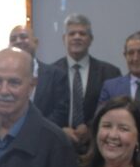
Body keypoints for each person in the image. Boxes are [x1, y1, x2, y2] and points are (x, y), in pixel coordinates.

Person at [51, 14, 122, 149]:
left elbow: (115, 111)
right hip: (58, 145)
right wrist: (59, 130)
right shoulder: (50, 73)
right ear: (64, 39)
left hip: (99, 147)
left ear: (91, 39)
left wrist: (91, 129)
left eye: (82, 33)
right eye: (72, 33)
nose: (77, 37)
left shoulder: (110, 73)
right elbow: (44, 110)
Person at [0, 25, 70, 128]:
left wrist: (33, 130)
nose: (18, 41)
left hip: (44, 138)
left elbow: (60, 112)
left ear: (36, 42)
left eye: (23, 37)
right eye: (13, 39)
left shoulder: (56, 75)